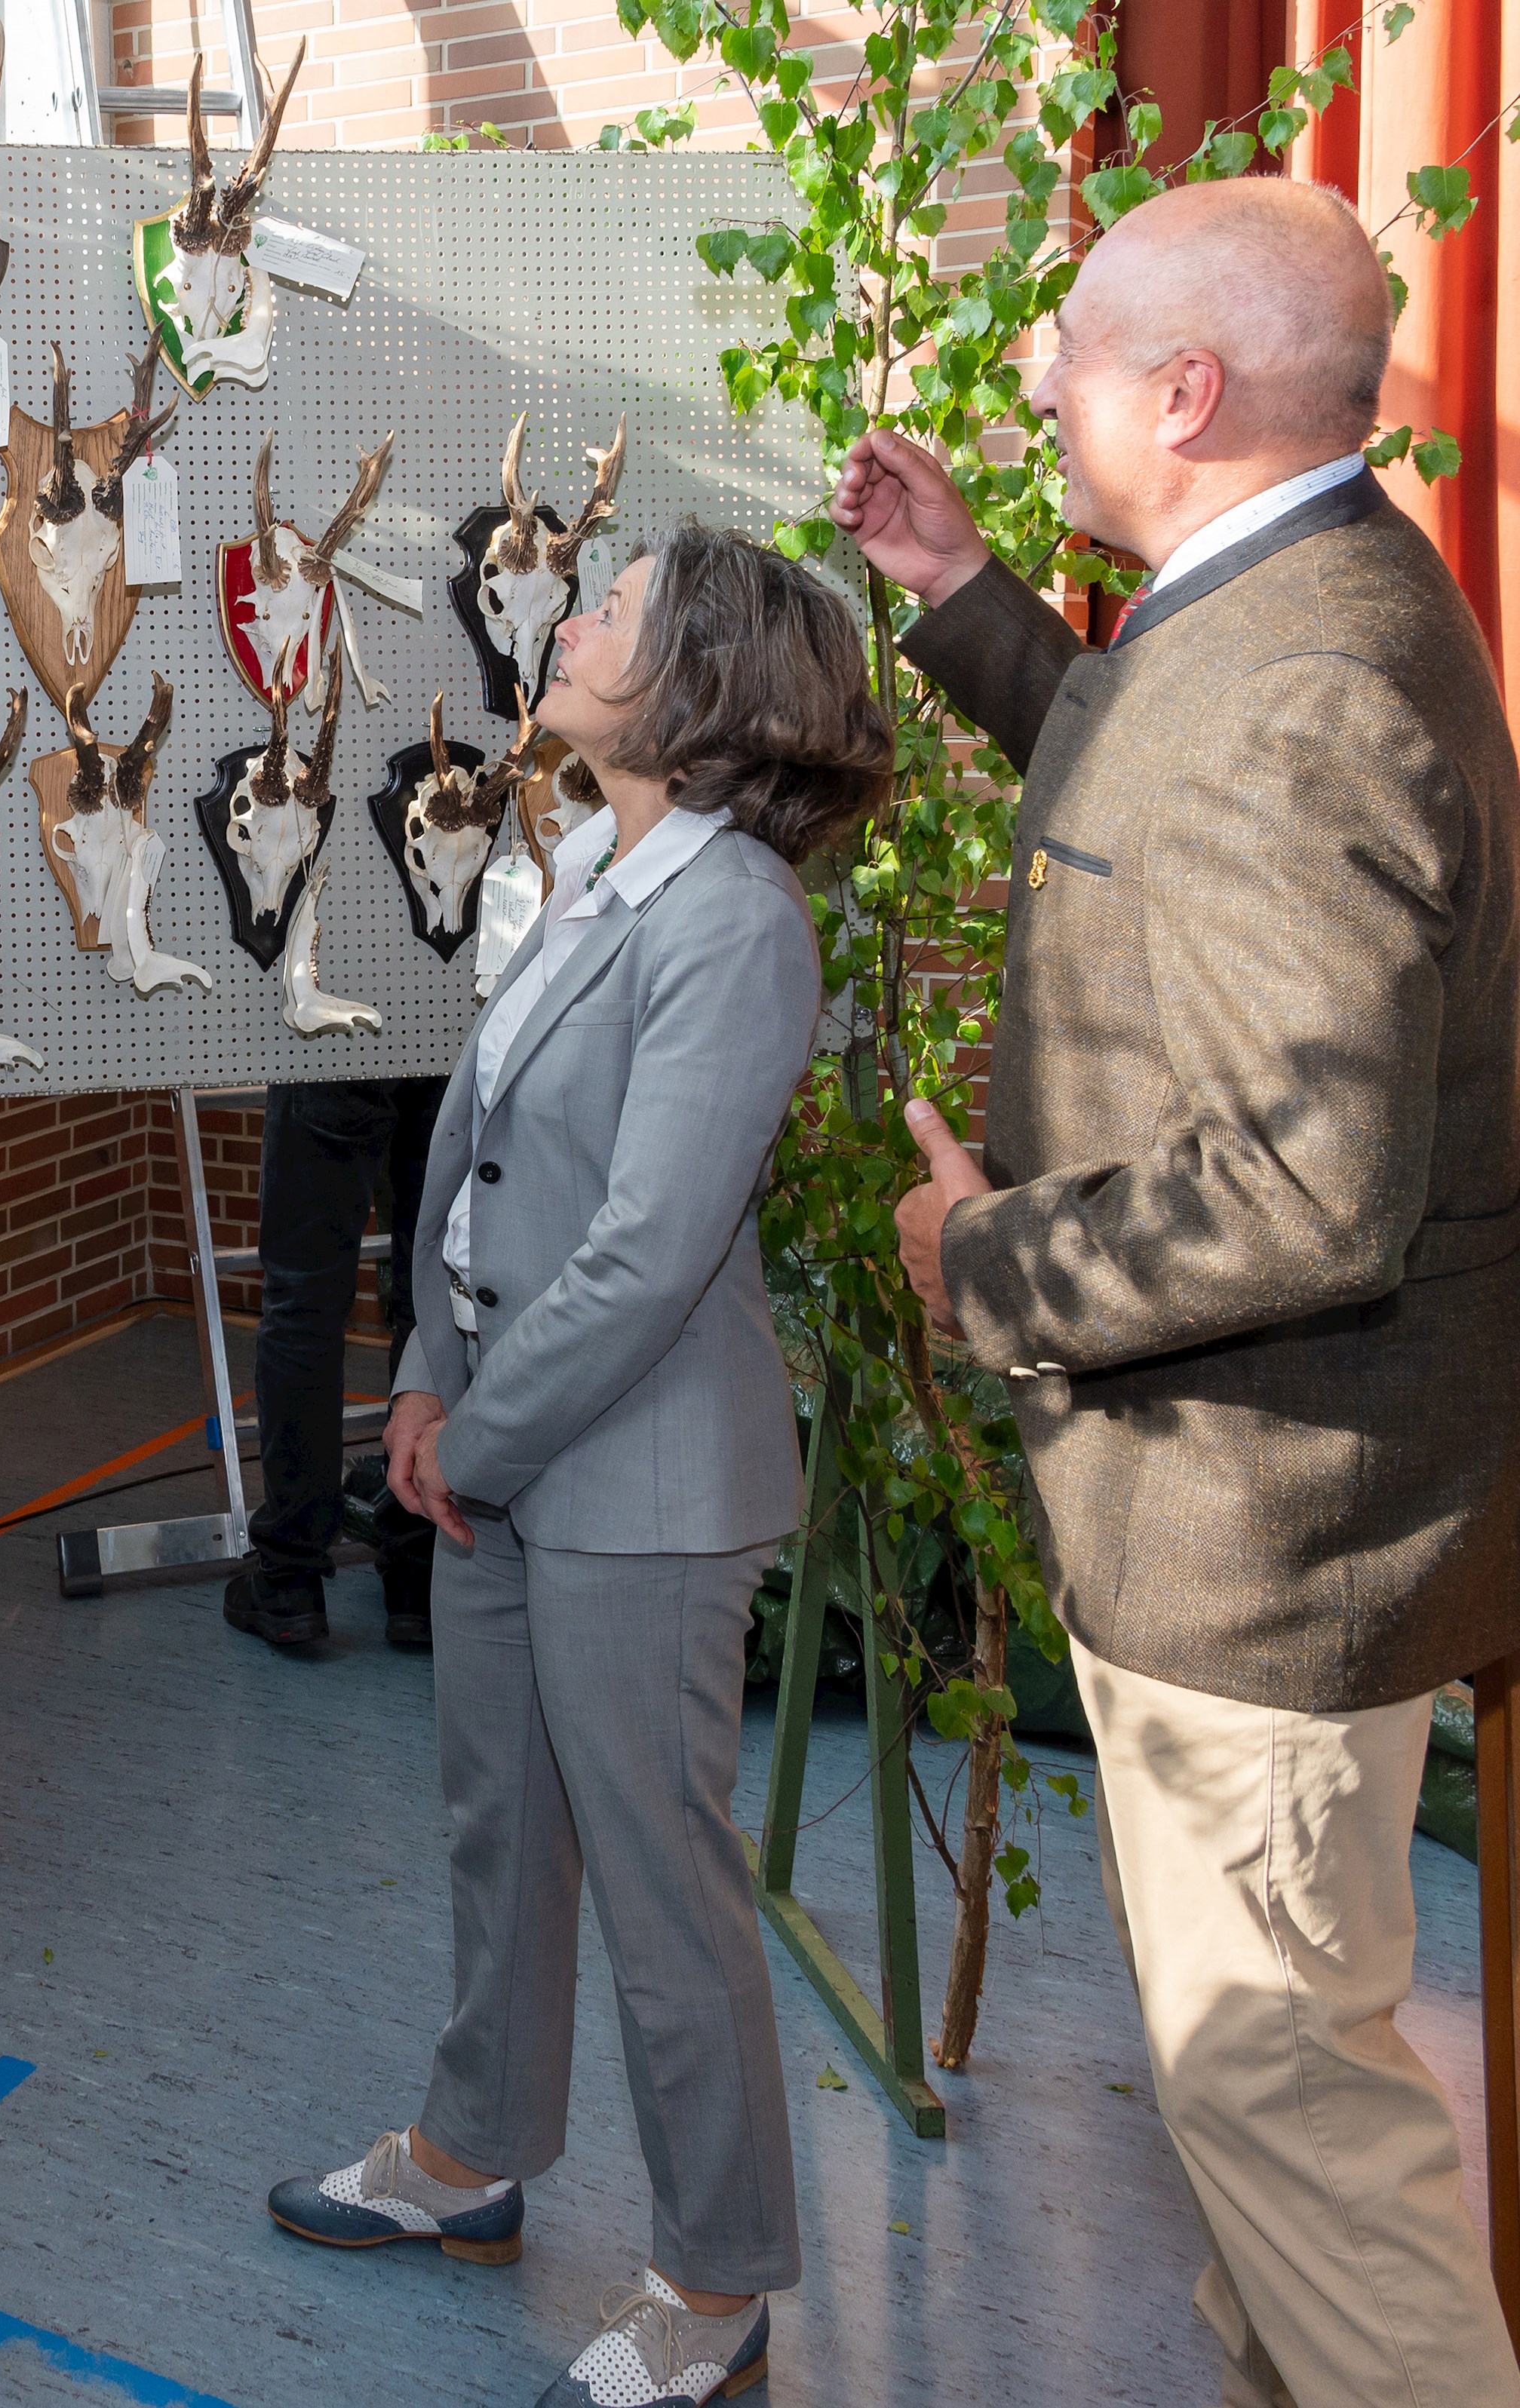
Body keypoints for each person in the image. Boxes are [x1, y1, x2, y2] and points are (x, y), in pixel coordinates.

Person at [851, 175, 1520, 2408]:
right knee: (1269, 2146)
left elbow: (1310, 1191)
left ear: (1189, 392)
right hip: (1265, 1507)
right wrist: (964, 602)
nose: (1034, 374)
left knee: (1290, 2124)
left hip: (1262, 1538)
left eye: (1070, 342)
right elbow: (1160, 781)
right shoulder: (1274, 607)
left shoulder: (1303, 686)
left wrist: (982, 1254)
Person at [265, 525, 889, 2408]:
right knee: (501, 1836)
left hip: (635, 1485)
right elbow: (494, 1181)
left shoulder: (736, 920)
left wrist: (475, 1427)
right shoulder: (605, 876)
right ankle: (471, 2160)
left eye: (609, 606)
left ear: (696, 686)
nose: (572, 619)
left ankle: (716, 2283)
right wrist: (428, 1384)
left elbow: (647, 1247)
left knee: (660, 1885)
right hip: (509, 1449)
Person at [223, 1075, 450, 1650]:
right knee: (432, 1296)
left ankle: (290, 1576)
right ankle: (420, 1568)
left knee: (304, 1305)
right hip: (448, 1022)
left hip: (330, 1039)